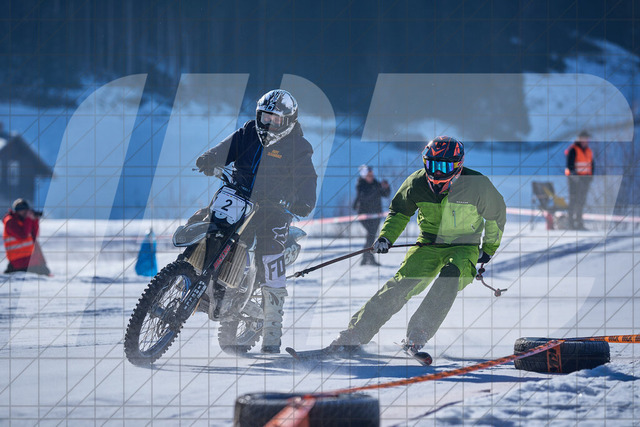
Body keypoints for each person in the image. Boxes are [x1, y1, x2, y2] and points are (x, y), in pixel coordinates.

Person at [329, 136, 506, 356]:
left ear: (458, 165)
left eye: (444, 167)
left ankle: (418, 333)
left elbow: (496, 215)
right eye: (432, 164)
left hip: (464, 245)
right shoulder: (417, 182)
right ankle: (355, 334)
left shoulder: (477, 185)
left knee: (450, 277)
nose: (437, 172)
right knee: (401, 285)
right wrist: (386, 237)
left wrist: (488, 250)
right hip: (428, 243)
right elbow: (399, 212)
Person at [196, 89, 317, 353]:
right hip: (237, 197)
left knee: (270, 256)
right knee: (204, 223)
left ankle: (272, 328)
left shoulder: (298, 147)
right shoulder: (249, 131)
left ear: (289, 121)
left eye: (276, 119)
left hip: (272, 210)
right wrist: (210, 158)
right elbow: (225, 148)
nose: (269, 123)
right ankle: (188, 276)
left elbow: (308, 179)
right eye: (265, 117)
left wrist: (304, 201)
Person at [353, 165, 390, 266]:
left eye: (372, 175)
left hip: (376, 215)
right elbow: (365, 197)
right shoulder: (361, 185)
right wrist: (377, 189)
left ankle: (365, 258)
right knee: (371, 235)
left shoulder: (376, 183)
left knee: (371, 236)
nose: (371, 177)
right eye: (369, 175)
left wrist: (386, 187)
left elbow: (385, 194)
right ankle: (369, 258)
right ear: (364, 176)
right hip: (364, 215)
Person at [2, 198, 50, 276]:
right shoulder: (10, 221)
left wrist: (34, 220)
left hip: (29, 259)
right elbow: (23, 235)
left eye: (26, 210)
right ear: (16, 211)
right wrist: (28, 219)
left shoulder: (24, 221)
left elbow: (34, 236)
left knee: (46, 273)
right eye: (22, 210)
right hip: (18, 261)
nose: (24, 213)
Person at [565, 130, 594, 230]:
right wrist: (575, 177)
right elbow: (570, 165)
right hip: (574, 180)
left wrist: (590, 177)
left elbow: (591, 165)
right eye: (585, 139)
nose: (587, 141)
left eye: (587, 139)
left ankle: (579, 222)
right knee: (573, 200)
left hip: (585, 180)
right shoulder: (573, 149)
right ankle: (571, 223)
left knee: (581, 201)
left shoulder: (588, 151)